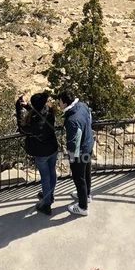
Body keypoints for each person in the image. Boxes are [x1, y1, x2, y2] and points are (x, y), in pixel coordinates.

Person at [15, 91, 58, 214]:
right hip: (53, 148)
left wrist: (18, 108)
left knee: (45, 176)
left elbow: (22, 128)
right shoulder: (50, 112)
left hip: (41, 153)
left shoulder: (33, 122)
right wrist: (27, 106)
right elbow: (40, 112)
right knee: (52, 172)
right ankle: (50, 194)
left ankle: (46, 204)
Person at [57, 86, 94, 217]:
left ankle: (83, 207)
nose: (59, 104)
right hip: (89, 145)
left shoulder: (72, 120)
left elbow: (74, 141)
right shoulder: (83, 106)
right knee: (87, 172)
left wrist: (72, 157)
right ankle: (87, 195)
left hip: (80, 152)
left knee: (79, 178)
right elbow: (89, 119)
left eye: (59, 102)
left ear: (65, 103)